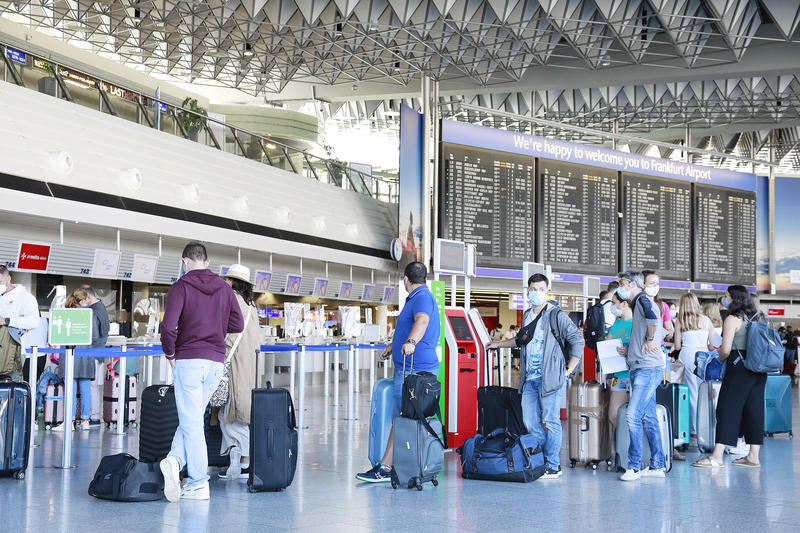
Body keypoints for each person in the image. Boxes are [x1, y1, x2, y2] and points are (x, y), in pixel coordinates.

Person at [159, 242, 244, 502]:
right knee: (193, 417)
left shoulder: (180, 287)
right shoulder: (224, 287)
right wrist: (215, 328)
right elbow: (237, 323)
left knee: (192, 421)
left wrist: (170, 354)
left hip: (189, 360)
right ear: (207, 262)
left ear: (184, 261)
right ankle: (175, 460)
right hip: (215, 362)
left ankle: (198, 482)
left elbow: (168, 327)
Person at [488, 273, 584, 479]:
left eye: (541, 289)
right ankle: (541, 459)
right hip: (529, 378)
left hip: (550, 378)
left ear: (547, 291)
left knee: (551, 421)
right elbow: (520, 340)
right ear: (528, 291)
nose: (537, 293)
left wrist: (568, 371)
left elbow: (577, 340)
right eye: (533, 289)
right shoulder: (527, 316)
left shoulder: (556, 315)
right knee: (530, 422)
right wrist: (498, 344)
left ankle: (553, 464)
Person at [356, 261, 440, 483]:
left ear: (405, 279)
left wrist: (411, 342)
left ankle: (385, 467)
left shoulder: (421, 297)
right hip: (414, 366)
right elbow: (410, 326)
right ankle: (403, 465)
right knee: (408, 417)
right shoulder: (418, 297)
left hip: (414, 369)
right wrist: (391, 346)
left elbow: (422, 321)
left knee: (403, 418)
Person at [693, 286, 765, 469]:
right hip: (759, 368)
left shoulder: (733, 318)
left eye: (726, 296)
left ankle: (716, 457)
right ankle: (753, 456)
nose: (724, 299)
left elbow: (725, 349)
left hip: (739, 367)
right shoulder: (757, 316)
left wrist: (717, 358)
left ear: (734, 299)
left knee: (726, 409)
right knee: (754, 410)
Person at [616, 270, 666, 481]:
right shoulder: (638, 304)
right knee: (649, 418)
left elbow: (653, 317)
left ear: (632, 284)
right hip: (641, 366)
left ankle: (634, 466)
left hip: (647, 368)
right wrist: (630, 348)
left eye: (622, 283)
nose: (620, 287)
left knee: (632, 415)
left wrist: (650, 339)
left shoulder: (643, 300)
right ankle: (657, 465)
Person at [217, 264, 260, 481]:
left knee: (232, 416)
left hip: (234, 365)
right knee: (232, 414)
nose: (225, 282)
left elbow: (224, 332)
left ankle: (245, 463)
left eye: (227, 279)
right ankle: (238, 461)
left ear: (233, 282)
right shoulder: (251, 305)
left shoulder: (231, 300)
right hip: (247, 366)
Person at [53, 288, 99, 431]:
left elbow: (60, 336)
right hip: (86, 356)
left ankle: (70, 422)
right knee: (86, 390)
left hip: (70, 355)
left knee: (70, 391)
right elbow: (95, 337)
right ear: (83, 300)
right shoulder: (90, 315)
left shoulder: (67, 313)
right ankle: (85, 421)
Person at [673, 293, 716, 445]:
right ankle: (707, 428)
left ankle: (693, 430)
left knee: (691, 394)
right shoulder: (706, 320)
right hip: (703, 356)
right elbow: (712, 345)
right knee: (705, 392)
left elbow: (677, 346)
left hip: (686, 356)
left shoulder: (680, 321)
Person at [0, 265, 40, 381]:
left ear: (8, 278)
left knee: (12, 387)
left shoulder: (25, 297)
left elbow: (33, 321)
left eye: (0, 281)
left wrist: (7, 320)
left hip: (13, 351)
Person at [82, 286, 110, 428]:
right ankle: (94, 415)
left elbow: (94, 335)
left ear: (88, 297)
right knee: (94, 386)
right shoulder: (101, 308)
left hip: (93, 352)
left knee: (91, 385)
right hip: (98, 353)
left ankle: (94, 416)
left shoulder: (94, 311)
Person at [606, 290, 632, 432]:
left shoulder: (637, 323)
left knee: (634, 418)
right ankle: (622, 442)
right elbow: (606, 345)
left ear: (624, 303)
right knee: (613, 416)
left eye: (614, 303)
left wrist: (627, 350)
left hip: (634, 376)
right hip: (619, 376)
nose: (612, 306)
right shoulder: (616, 324)